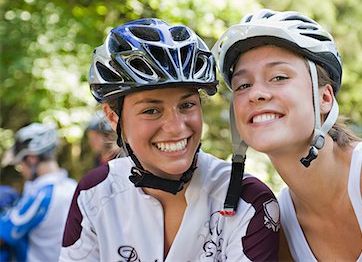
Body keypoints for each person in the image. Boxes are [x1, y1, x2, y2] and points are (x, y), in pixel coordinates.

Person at [212, 9, 362, 261]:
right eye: (243, 85)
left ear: (324, 98)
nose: (256, 94)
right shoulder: (282, 227)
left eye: (279, 77)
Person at [60, 18, 280, 262]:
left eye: (186, 105)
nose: (176, 127)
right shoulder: (95, 193)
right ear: (114, 118)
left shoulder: (248, 200)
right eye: (151, 110)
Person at [0, 122, 77, 262]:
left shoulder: (42, 195)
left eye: (20, 164)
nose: (21, 170)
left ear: (31, 159)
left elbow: (4, 234)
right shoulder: (73, 186)